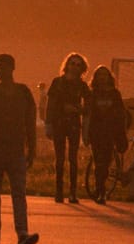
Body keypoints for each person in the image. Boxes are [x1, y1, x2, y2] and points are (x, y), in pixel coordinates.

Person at [0, 53, 40, 244]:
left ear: (11, 68)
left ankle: (22, 233)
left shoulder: (23, 92)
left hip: (15, 150)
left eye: (2, 67)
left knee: (18, 193)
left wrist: (32, 147)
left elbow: (30, 122)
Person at [46, 52, 90, 204]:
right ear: (67, 65)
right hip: (59, 123)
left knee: (73, 158)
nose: (75, 67)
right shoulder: (57, 82)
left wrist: (79, 109)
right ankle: (58, 191)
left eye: (78, 64)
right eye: (72, 63)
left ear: (82, 68)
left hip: (73, 124)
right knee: (59, 159)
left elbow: (89, 105)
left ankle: (72, 192)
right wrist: (48, 124)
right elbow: (50, 105)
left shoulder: (82, 86)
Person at [85, 65, 129, 204]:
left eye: (105, 75)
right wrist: (85, 133)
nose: (102, 77)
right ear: (95, 78)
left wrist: (121, 133)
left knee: (105, 161)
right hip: (96, 132)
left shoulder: (115, 94)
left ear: (109, 77)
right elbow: (87, 115)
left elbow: (120, 114)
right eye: (99, 75)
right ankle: (100, 190)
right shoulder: (92, 94)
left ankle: (101, 188)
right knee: (99, 162)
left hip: (110, 132)